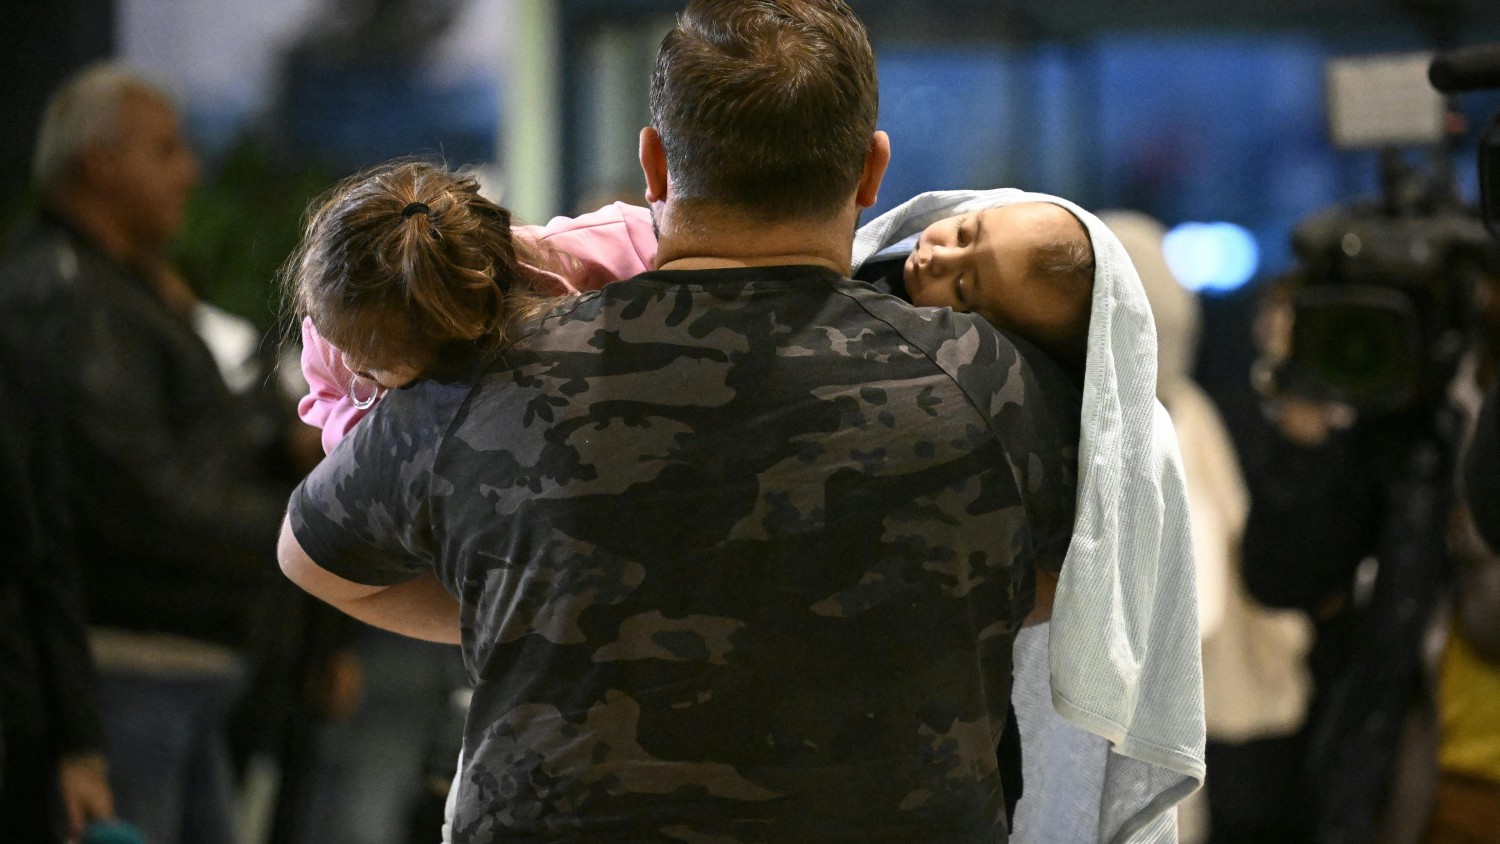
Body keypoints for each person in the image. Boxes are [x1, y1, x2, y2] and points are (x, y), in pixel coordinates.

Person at [277, 1, 1082, 840]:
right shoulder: (986, 384)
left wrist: (526, 607)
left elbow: (313, 557)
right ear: (871, 171)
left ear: (654, 164)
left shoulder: (488, 378)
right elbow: (1105, 573)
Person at [0, 62, 292, 844]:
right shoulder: (68, 295)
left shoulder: (128, 289)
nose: (191, 171)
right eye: (166, 150)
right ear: (99, 162)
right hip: (127, 673)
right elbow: (131, 492)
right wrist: (301, 533)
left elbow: (194, 454)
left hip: (173, 673)